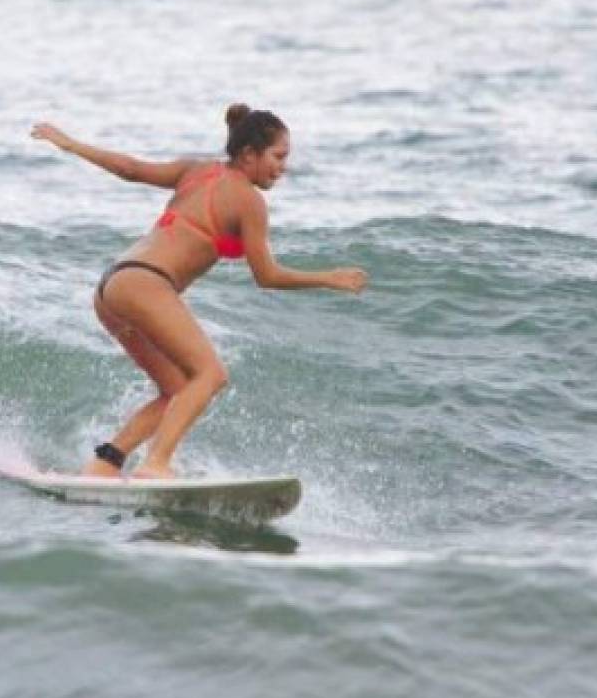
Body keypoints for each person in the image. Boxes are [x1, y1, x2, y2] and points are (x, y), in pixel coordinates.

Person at [30, 104, 368, 479]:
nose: (283, 167)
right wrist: (328, 278)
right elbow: (267, 276)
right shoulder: (249, 200)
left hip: (113, 286)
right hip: (146, 283)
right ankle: (156, 464)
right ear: (249, 154)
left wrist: (71, 145)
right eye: (278, 156)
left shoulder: (197, 171)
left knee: (176, 390)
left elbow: (131, 169)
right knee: (210, 374)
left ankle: (105, 462)